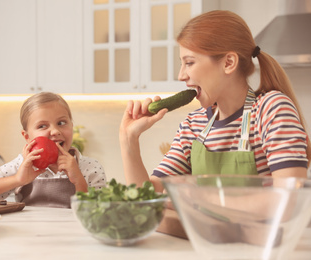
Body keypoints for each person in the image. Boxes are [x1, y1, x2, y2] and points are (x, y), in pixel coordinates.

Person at [119, 10, 310, 193]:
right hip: (205, 228)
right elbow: (150, 195)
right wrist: (128, 140)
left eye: (190, 62)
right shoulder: (192, 125)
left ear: (228, 63)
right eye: (181, 63)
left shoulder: (271, 110)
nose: (181, 75)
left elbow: (287, 200)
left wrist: (197, 202)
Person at [0, 92, 106, 207]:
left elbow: (101, 214)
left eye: (61, 122)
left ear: (71, 126)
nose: (55, 131)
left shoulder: (90, 168)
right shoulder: (21, 166)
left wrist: (79, 180)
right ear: (27, 137)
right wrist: (17, 179)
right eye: (42, 126)